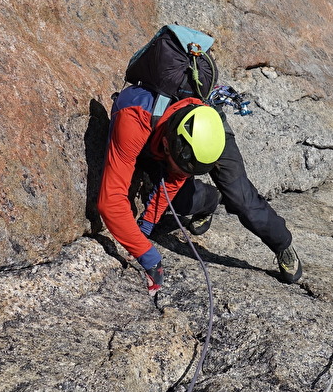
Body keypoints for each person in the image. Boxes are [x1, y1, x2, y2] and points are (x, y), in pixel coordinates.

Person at [97, 75, 303, 293]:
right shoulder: (133, 119)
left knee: (242, 199)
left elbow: (177, 175)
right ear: (168, 145)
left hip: (207, 128)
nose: (181, 174)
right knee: (180, 205)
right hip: (171, 131)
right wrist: (147, 249)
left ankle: (282, 245)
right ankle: (210, 200)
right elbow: (110, 201)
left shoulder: (196, 111)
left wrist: (145, 230)